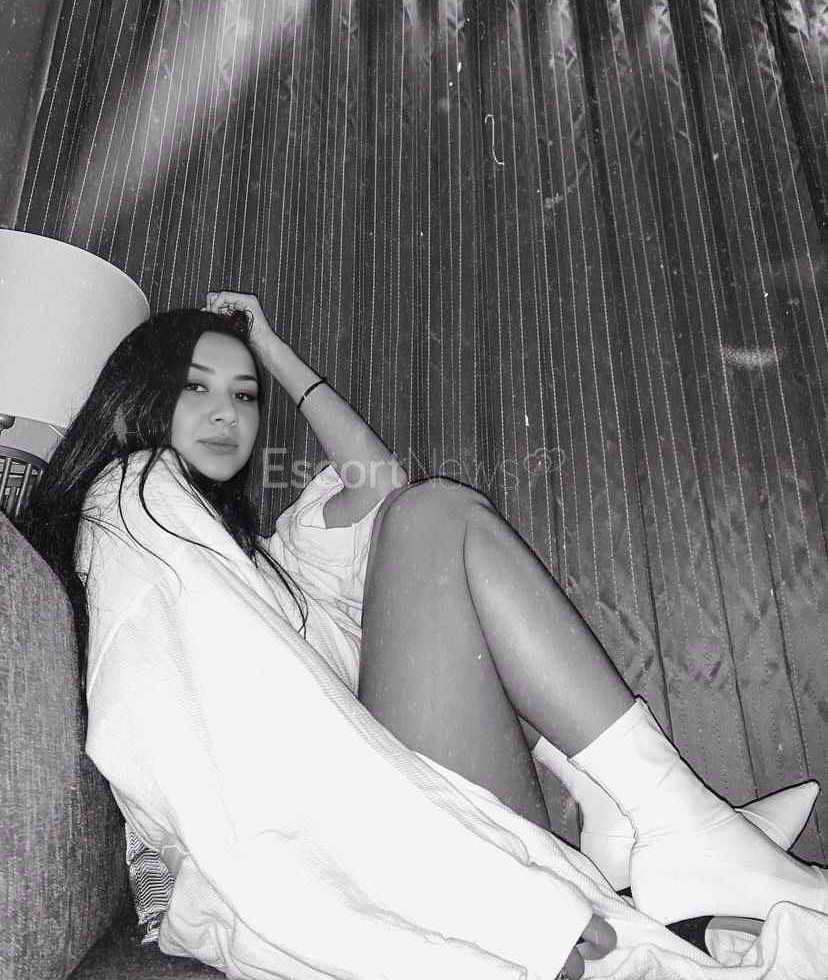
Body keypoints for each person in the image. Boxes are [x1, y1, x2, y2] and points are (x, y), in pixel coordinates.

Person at [18, 292, 827, 980]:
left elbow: (378, 486)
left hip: (418, 800)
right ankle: (675, 823)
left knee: (427, 526)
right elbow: (243, 748)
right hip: (392, 840)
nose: (229, 412)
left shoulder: (257, 561)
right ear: (136, 398)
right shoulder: (137, 502)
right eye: (198, 386)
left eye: (245, 393)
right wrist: (510, 913)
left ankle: (643, 817)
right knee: (435, 519)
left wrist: (274, 351)